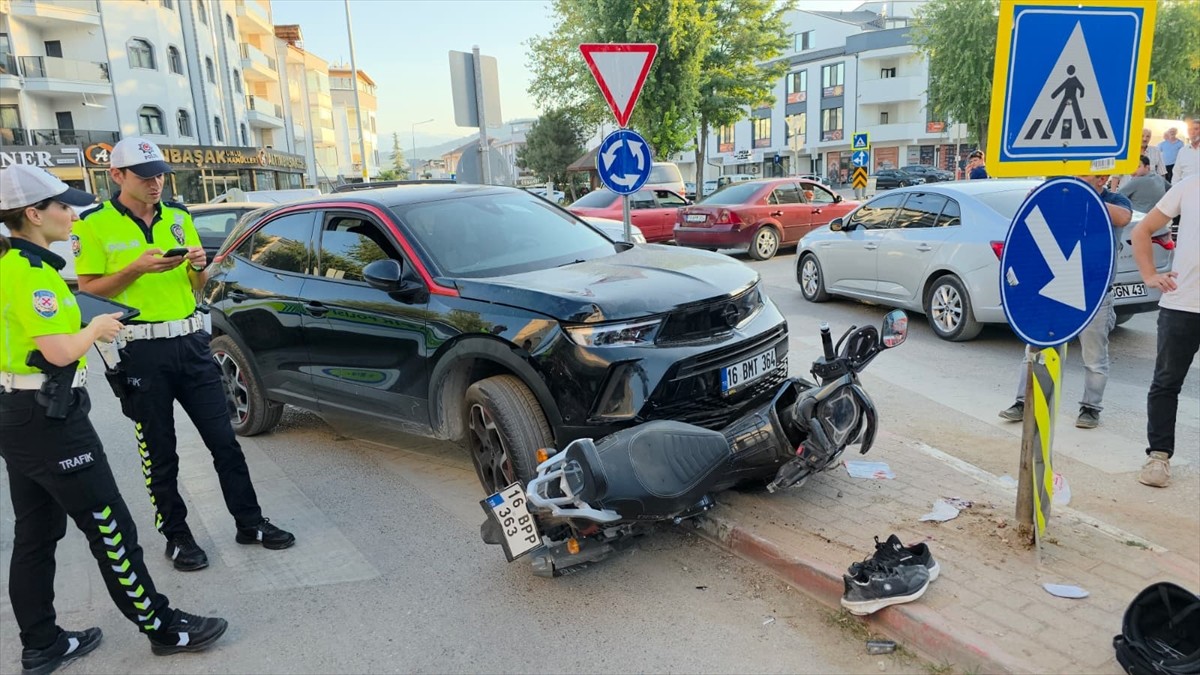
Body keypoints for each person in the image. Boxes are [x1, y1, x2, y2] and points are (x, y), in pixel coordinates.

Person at [0, 165, 227, 674]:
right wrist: (96, 326)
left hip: (20, 416)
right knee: (112, 529)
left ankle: (43, 643)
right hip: (50, 418)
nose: (71, 214)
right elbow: (58, 351)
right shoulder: (30, 273)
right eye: (61, 206)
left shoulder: (14, 264)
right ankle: (164, 627)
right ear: (33, 215)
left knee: (36, 535)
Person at [73, 137, 294, 573]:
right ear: (116, 176)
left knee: (224, 443)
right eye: (145, 175)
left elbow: (196, 287)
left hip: (191, 345)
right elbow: (89, 293)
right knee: (161, 453)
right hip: (139, 351)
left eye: (160, 174)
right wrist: (135, 268)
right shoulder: (92, 223)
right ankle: (177, 536)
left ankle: (249, 522)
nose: (156, 182)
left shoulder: (178, 215)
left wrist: (197, 267)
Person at [998, 174, 1132, 428]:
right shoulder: (1060, 198)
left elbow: (1123, 217)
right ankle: (1022, 402)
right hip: (1052, 290)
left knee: (1094, 357)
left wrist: (1081, 196)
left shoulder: (1114, 200)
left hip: (1094, 294)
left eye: (1085, 173)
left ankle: (1090, 408)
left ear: (1102, 178)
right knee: (1035, 350)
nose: (1076, 177)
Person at [1130, 175, 1199, 488]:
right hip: (1182, 304)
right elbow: (1142, 229)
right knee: (1166, 382)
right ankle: (1158, 456)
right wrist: (1149, 274)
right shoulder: (1189, 186)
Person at [1172, 117, 1199, 185]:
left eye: (1196, 129)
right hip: (1186, 191)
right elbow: (1176, 173)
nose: (1192, 132)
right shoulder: (1183, 151)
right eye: (1190, 129)